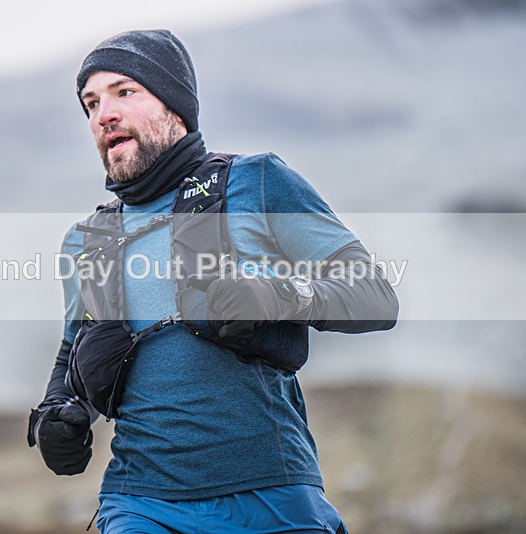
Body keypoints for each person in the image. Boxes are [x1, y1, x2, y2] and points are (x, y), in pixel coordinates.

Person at [28, 30, 398, 533]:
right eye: (90, 104)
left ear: (175, 107)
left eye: (124, 92)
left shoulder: (257, 181)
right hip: (139, 503)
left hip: (272, 494)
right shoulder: (88, 240)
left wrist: (279, 295)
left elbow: (374, 294)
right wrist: (59, 415)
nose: (103, 114)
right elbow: (75, 352)